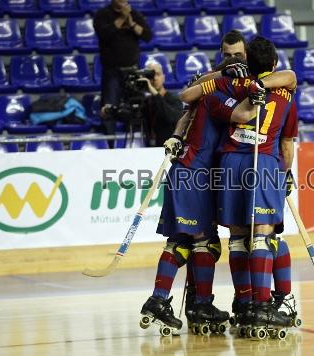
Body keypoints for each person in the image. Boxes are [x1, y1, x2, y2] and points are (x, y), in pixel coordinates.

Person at [181, 36, 299, 336]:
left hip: (229, 163)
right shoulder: (284, 92)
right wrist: (286, 173)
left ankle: (245, 302)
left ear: (247, 59)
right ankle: (262, 306)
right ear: (272, 63)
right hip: (263, 165)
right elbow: (287, 142)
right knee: (263, 235)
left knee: (237, 238)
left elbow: (191, 96)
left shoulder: (234, 85)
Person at [93, 0, 152, 136]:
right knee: (110, 107)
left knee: (135, 108)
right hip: (112, 70)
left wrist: (131, 23)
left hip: (133, 71)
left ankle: (135, 141)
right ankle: (110, 143)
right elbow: (104, 35)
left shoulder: (134, 14)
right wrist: (122, 18)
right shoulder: (103, 14)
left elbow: (147, 36)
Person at [140, 62, 183, 147]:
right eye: (151, 75)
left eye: (158, 74)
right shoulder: (147, 101)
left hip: (170, 150)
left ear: (163, 77)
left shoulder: (174, 99)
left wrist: (155, 93)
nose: (155, 78)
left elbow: (170, 117)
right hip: (150, 149)